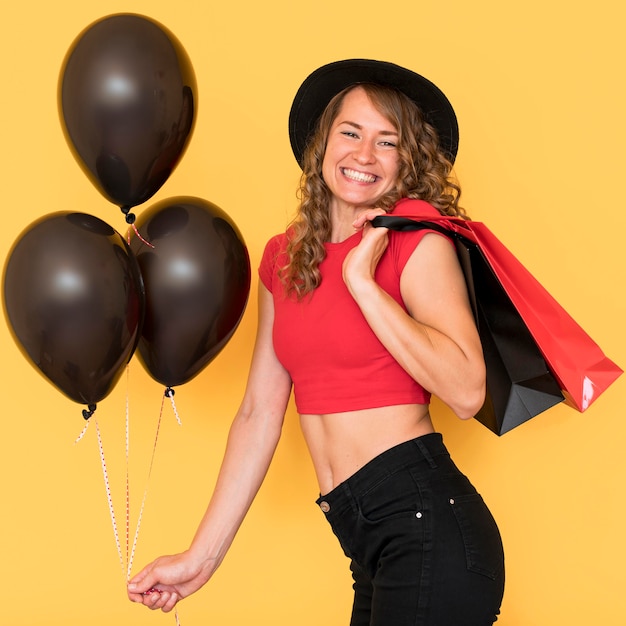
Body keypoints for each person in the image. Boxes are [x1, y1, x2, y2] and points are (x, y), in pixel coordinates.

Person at [127, 59, 505, 625]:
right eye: (350, 133)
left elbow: (467, 390)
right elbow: (258, 413)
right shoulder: (285, 259)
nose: (364, 155)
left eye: (388, 142)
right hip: (365, 539)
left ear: (409, 161)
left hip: (425, 522)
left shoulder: (418, 244)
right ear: (322, 143)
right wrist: (200, 559)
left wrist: (362, 283)